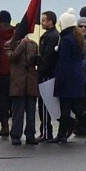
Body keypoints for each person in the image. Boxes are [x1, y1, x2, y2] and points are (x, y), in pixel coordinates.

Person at [52, 9, 86, 144]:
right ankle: (64, 134)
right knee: (74, 107)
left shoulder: (66, 40)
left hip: (67, 78)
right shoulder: (76, 38)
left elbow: (64, 62)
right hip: (76, 77)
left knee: (66, 108)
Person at [7, 22, 40, 145]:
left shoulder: (33, 44)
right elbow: (12, 57)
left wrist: (37, 59)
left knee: (31, 112)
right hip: (18, 82)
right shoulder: (9, 44)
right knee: (18, 112)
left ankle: (30, 134)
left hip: (31, 81)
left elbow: (36, 62)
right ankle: (16, 135)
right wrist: (21, 45)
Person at [37, 11, 60, 142]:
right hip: (48, 73)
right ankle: (45, 130)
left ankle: (46, 132)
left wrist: (40, 66)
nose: (42, 22)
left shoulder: (51, 37)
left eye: (44, 20)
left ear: (51, 21)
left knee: (45, 105)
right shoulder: (51, 35)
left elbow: (48, 57)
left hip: (46, 75)